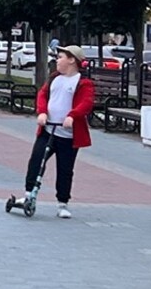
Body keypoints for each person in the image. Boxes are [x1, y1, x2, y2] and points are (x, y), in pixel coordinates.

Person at [20, 45, 96, 219]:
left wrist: (72, 116)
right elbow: (42, 95)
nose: (57, 60)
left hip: (67, 135)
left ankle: (63, 202)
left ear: (72, 60)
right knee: (36, 161)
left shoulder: (83, 83)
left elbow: (86, 103)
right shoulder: (55, 78)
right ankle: (29, 193)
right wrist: (42, 112)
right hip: (48, 130)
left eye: (60, 57)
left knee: (65, 169)